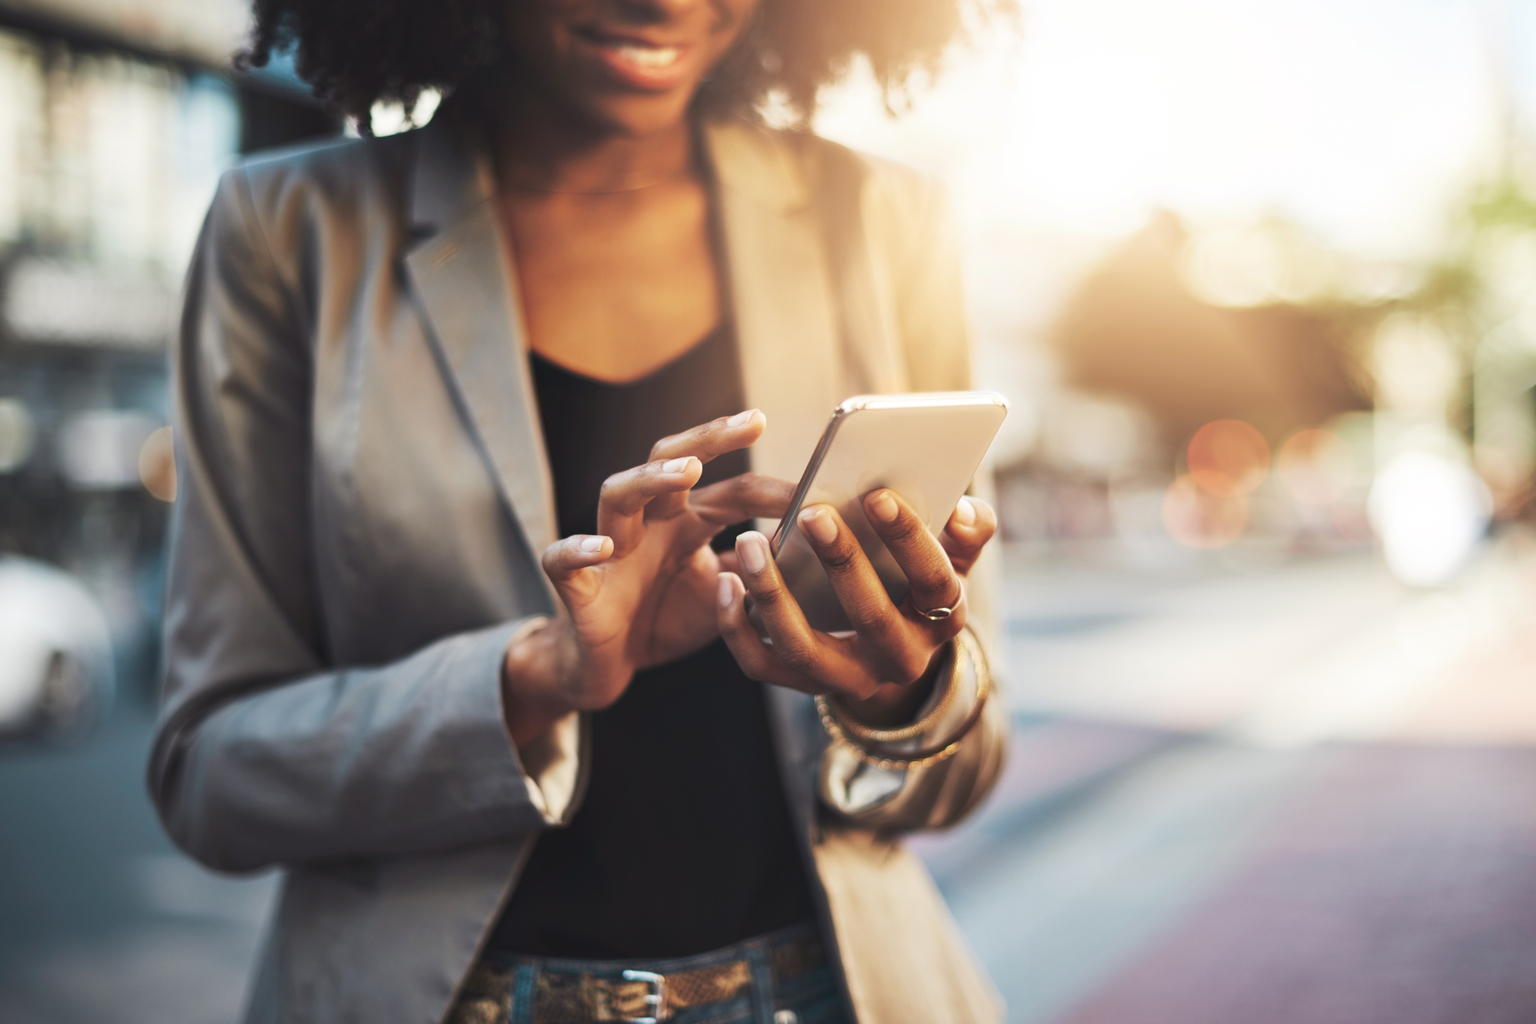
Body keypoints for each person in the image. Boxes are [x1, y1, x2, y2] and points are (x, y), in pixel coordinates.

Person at [148, 0, 1011, 1021]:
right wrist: (533, 677)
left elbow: (970, 755)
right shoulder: (289, 229)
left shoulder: (882, 220)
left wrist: (894, 701)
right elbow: (211, 775)